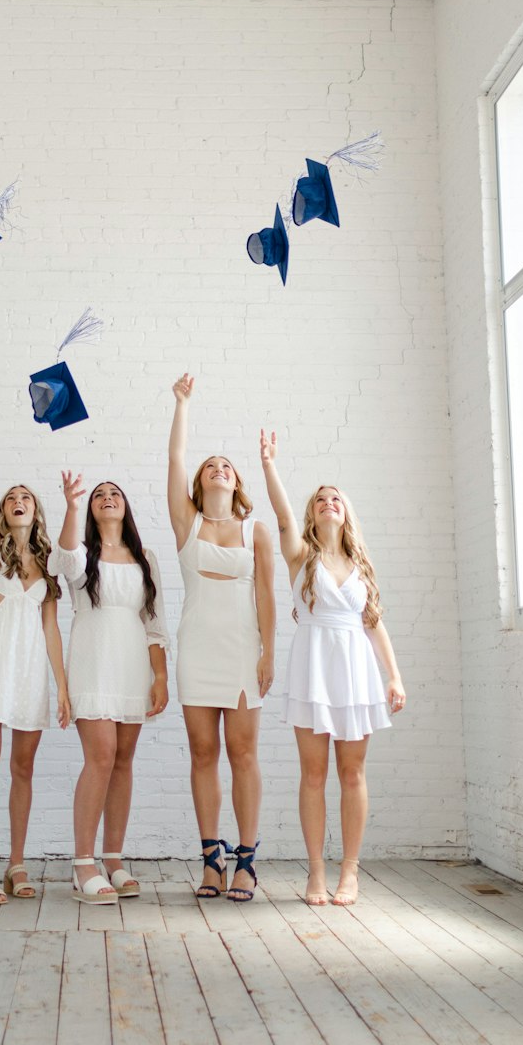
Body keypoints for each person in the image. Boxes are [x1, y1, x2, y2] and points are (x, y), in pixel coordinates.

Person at [259, 429, 406, 906]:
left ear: (345, 512)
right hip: (314, 667)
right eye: (320, 499)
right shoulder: (302, 556)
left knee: (353, 774)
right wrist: (269, 465)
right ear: (313, 513)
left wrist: (394, 676)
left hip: (357, 670)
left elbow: (374, 624)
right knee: (313, 774)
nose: (328, 502)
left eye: (335, 498)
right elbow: (282, 517)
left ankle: (350, 871)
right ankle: (316, 873)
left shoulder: (361, 564)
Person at [0, 395, 70, 903]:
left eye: (26, 496)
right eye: (11, 497)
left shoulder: (45, 568)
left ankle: (16, 865)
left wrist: (63, 688)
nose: (17, 500)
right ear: (3, 513)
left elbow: (52, 631)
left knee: (23, 769)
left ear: (35, 511)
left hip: (30, 675)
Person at [168, 374, 276, 902]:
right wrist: (182, 404)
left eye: (227, 466)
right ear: (200, 482)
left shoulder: (255, 530)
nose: (219, 468)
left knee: (243, 752)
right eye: (210, 465)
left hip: (240, 652)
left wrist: (268, 653)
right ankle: (210, 860)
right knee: (202, 750)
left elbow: (268, 599)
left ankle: (247, 862)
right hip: (196, 651)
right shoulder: (186, 525)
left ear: (237, 483)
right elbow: (173, 461)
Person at [50, 475, 169, 905]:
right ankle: (83, 863)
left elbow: (154, 624)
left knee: (122, 761)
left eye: (114, 493)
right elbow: (62, 556)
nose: (107, 498)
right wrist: (68, 505)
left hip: (132, 663)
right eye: (98, 495)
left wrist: (161, 676)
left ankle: (113, 858)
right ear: (90, 510)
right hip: (93, 661)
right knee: (99, 757)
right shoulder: (84, 556)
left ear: (127, 506)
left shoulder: (145, 558)